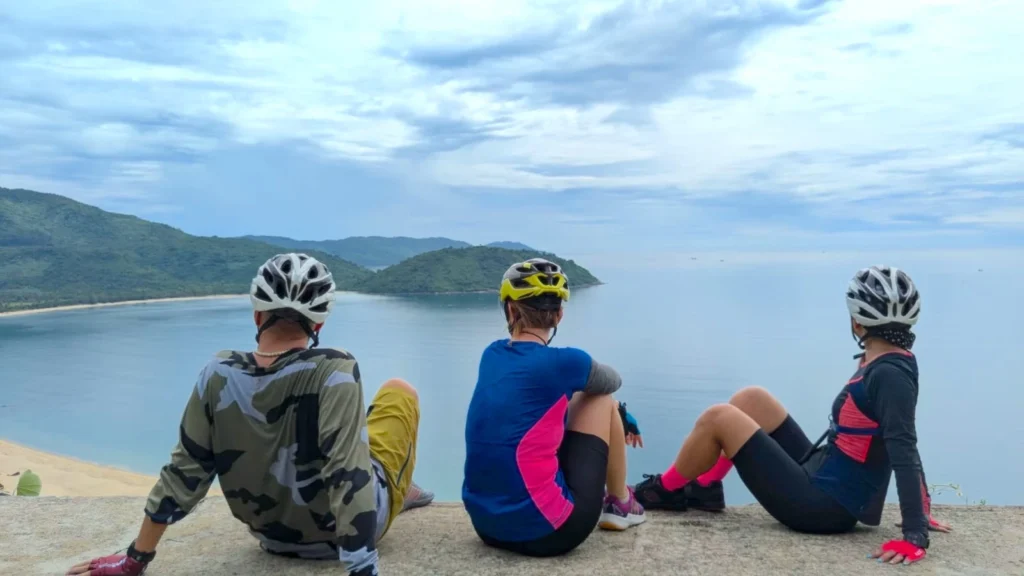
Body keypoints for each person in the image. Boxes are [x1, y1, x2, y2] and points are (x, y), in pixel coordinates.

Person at [66, 253, 427, 576]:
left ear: (257, 314)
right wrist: (362, 569)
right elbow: (347, 473)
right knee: (398, 391)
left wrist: (134, 560)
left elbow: (186, 470)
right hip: (341, 536)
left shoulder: (217, 372)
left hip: (271, 536)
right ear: (318, 325)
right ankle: (398, 493)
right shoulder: (335, 368)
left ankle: (398, 491)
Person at [632, 265, 951, 566]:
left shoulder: (889, 375)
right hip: (825, 472)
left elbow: (903, 446)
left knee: (719, 418)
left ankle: (664, 491)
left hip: (822, 507)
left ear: (857, 323)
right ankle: (705, 488)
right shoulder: (882, 361)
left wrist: (915, 532)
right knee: (751, 399)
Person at [462, 258, 646, 558]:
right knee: (600, 398)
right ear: (559, 315)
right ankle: (620, 502)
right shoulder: (567, 362)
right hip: (550, 532)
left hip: (486, 526)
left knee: (566, 397)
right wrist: (619, 412)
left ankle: (618, 500)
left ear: (510, 308)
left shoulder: (491, 355)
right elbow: (612, 381)